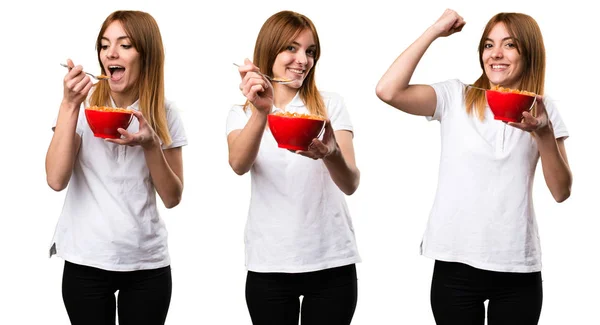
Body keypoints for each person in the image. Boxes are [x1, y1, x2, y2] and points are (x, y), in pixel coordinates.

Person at [376, 9, 572, 325]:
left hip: (517, 267)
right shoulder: (455, 96)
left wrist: (543, 132)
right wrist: (434, 30)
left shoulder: (543, 110)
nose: (495, 54)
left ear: (529, 52)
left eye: (509, 45)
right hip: (455, 264)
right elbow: (388, 90)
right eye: (488, 45)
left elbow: (561, 192)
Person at [45, 10, 186, 325]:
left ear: (145, 55)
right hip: (85, 260)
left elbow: (173, 197)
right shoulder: (80, 104)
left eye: (124, 45)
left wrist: (151, 145)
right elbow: (55, 179)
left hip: (147, 264)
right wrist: (69, 104)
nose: (110, 53)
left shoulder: (165, 112)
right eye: (105, 45)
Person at [227, 10, 361, 325]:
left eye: (310, 51)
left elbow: (351, 183)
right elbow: (238, 164)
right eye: (292, 48)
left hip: (331, 260)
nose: (302, 59)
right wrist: (262, 110)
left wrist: (331, 153)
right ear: (269, 51)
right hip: (269, 262)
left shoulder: (331, 104)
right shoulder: (241, 112)